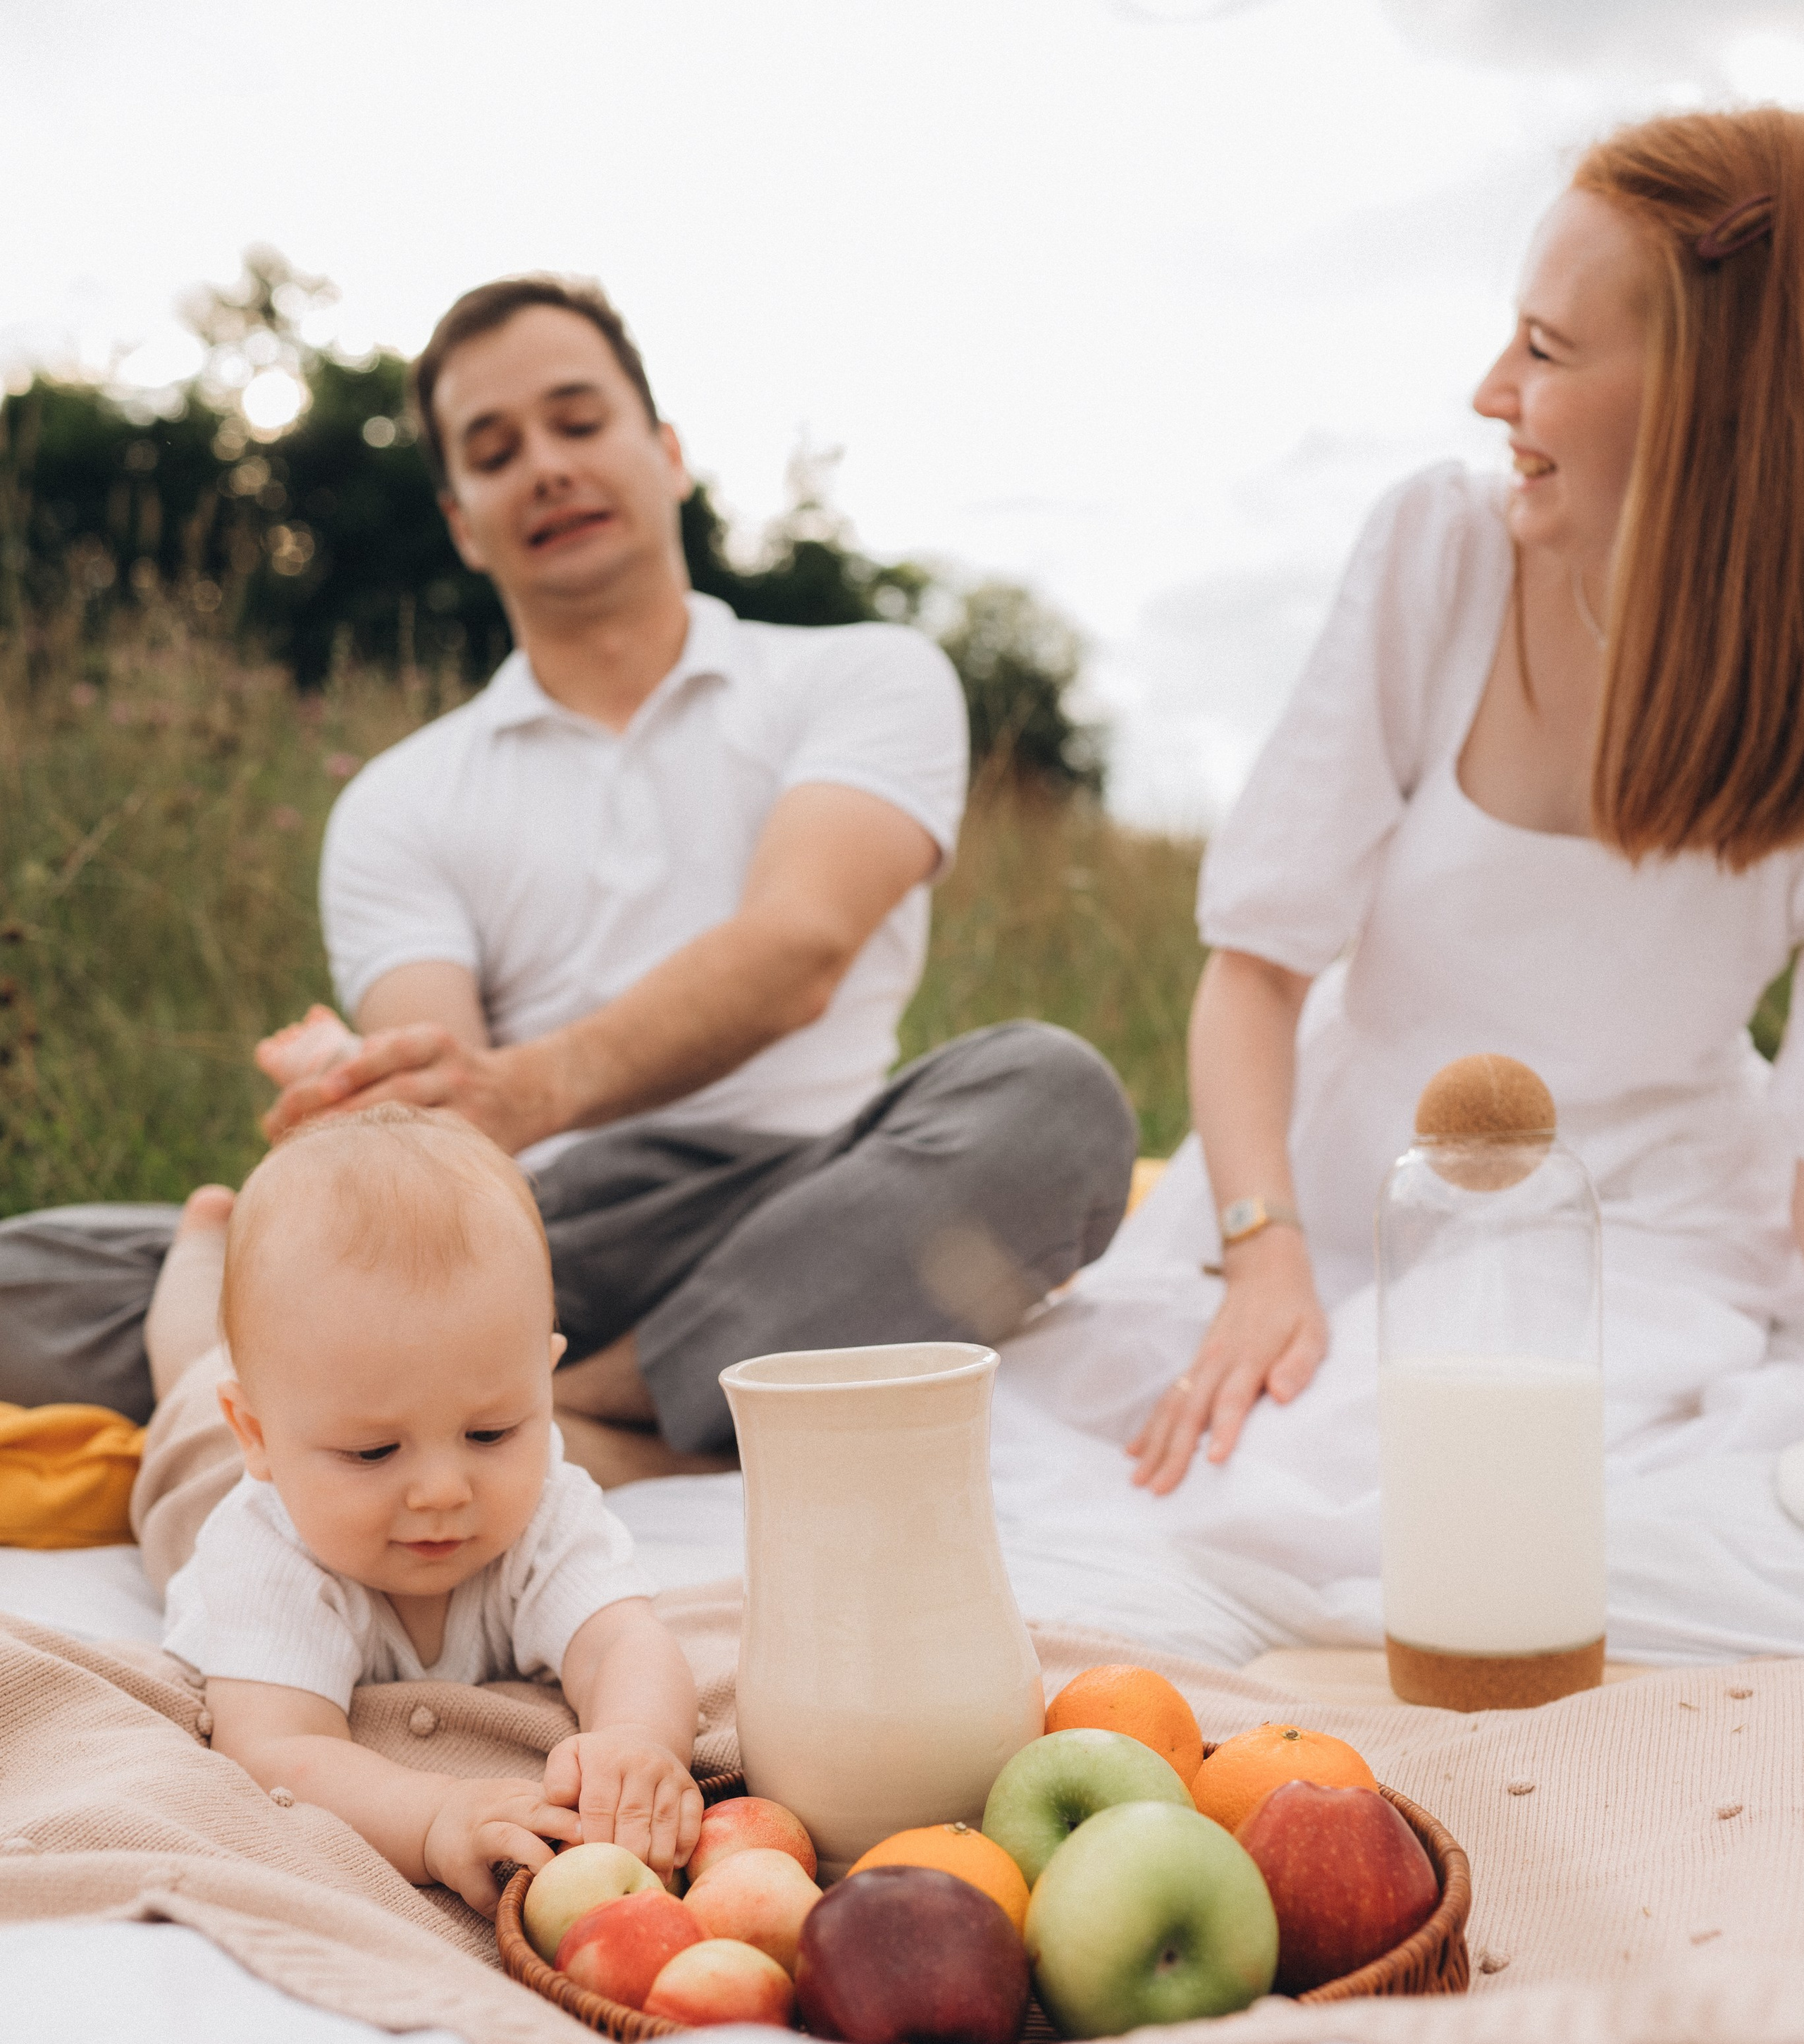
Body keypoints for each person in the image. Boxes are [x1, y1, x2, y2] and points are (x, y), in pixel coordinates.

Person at [0, 274, 1136, 1483]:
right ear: (461, 522)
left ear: (668, 454)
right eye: (496, 452)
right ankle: (536, 1401)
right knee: (36, 1280)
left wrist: (522, 1091)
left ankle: (571, 1415)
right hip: (522, 1243)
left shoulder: (863, 676)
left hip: (811, 1202)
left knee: (1052, 1100)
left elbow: (799, 949)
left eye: (579, 423)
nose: (546, 467)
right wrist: (377, 1111)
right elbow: (447, 1121)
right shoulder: (399, 798)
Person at [996, 108, 1804, 1667]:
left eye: (1544, 351)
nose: (1491, 390)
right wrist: (1263, 1255)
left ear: (1710, 407)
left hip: (1635, 1236)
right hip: (1329, 1186)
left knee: (1389, 1517)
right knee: (1148, 1475)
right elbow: (1255, 970)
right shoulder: (1443, 549)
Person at [161, 1105, 701, 1914]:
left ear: (544, 1380)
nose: (442, 1490)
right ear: (258, 1433)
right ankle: (196, 1249)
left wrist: (635, 1739)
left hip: (285, 1428)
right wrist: (435, 1815)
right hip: (196, 1476)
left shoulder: (544, 1507)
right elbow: (279, 1747)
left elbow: (622, 1639)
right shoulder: (263, 1551)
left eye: (490, 1432)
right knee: (182, 1370)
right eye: (374, 1451)